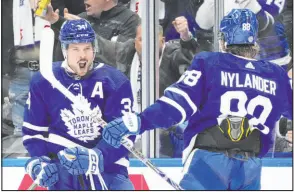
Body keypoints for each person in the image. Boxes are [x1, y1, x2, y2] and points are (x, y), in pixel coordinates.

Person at [101, 9, 293, 190]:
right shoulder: (276, 75)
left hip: (209, 165)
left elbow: (176, 104)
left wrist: (137, 121)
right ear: (254, 43)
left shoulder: (210, 63)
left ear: (223, 41)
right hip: (250, 170)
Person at [23, 19, 135, 190]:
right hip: (63, 172)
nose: (82, 55)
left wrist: (97, 157)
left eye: (87, 48)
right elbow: (34, 132)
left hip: (107, 170)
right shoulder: (44, 81)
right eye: (75, 49)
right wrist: (39, 162)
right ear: (64, 50)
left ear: (94, 48)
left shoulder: (115, 81)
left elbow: (125, 133)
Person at [39, 0, 140, 61]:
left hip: (111, 89)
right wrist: (57, 22)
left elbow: (121, 58)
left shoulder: (130, 20)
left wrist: (85, 31)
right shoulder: (80, 18)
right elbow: (61, 60)